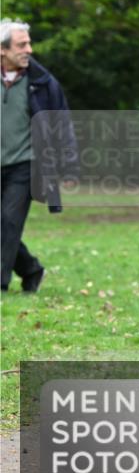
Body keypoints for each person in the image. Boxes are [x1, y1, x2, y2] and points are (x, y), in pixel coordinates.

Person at [1, 19, 77, 294]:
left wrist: (69, 167)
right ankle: (32, 270)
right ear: (2, 50)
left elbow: (62, 125)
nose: (29, 50)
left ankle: (1, 283)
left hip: (25, 165)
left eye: (29, 43)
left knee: (9, 222)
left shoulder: (42, 83)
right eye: (22, 45)